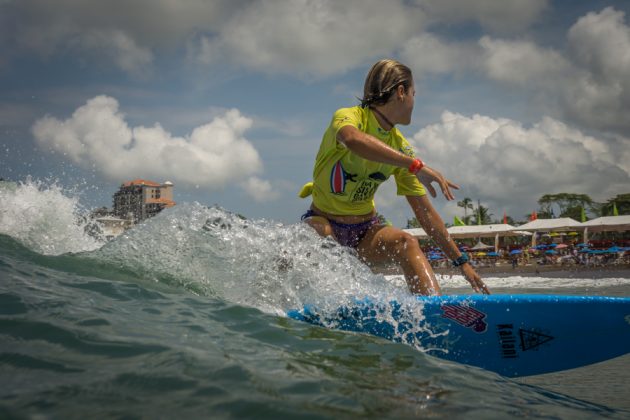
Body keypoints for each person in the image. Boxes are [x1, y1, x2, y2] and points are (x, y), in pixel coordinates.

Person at [299, 59, 490, 296]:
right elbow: (352, 140)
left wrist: (462, 263)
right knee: (321, 234)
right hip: (323, 221)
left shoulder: (400, 147)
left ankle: (435, 312)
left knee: (407, 243)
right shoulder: (350, 116)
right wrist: (414, 165)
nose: (413, 102)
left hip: (365, 232)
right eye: (413, 93)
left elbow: (427, 216)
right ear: (401, 92)